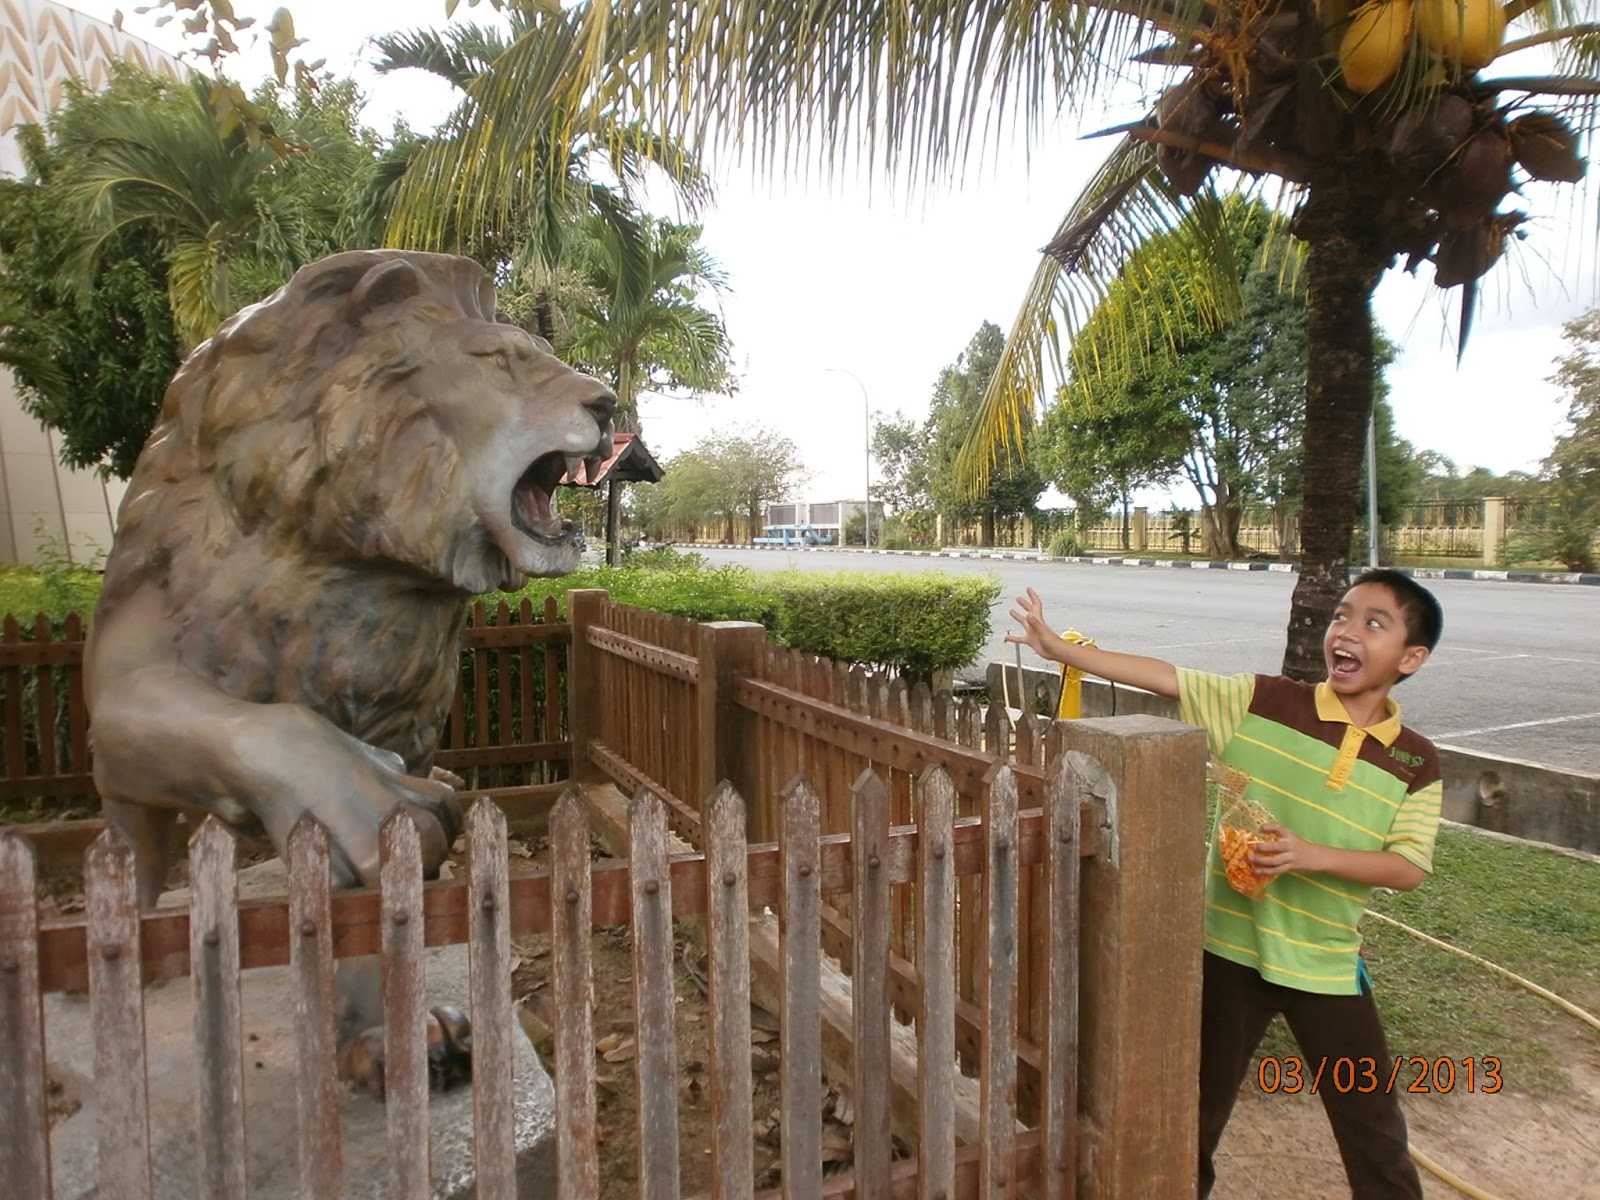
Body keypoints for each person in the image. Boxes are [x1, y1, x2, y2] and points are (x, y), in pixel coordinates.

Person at [1006, 568, 1445, 1199]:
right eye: (1342, 616)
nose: (1346, 633)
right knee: (1196, 1119)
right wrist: (1061, 649)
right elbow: (1166, 677)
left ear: (1412, 657)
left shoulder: (1414, 760)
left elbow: (1409, 866)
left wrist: (1309, 855)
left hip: (1325, 966)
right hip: (1229, 952)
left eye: (1374, 623)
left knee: (1372, 1123)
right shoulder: (1263, 701)